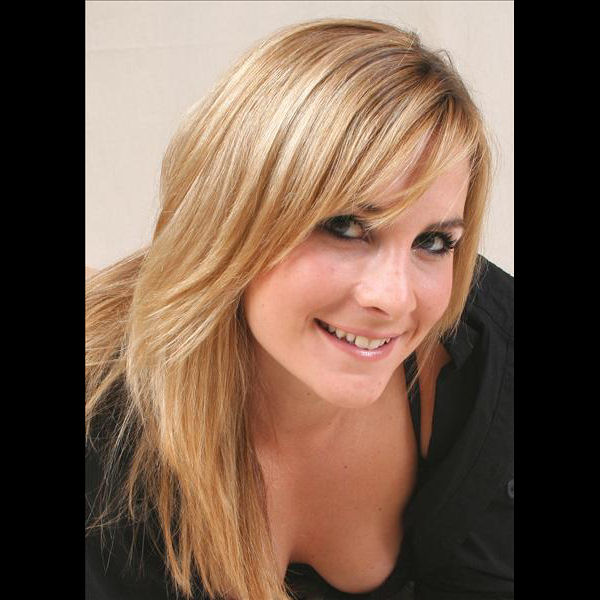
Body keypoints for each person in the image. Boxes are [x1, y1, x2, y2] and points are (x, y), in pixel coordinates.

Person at [85, 18, 513, 600]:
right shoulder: (106, 405)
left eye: (433, 242)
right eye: (345, 227)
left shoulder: (494, 357)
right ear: (230, 218)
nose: (393, 297)